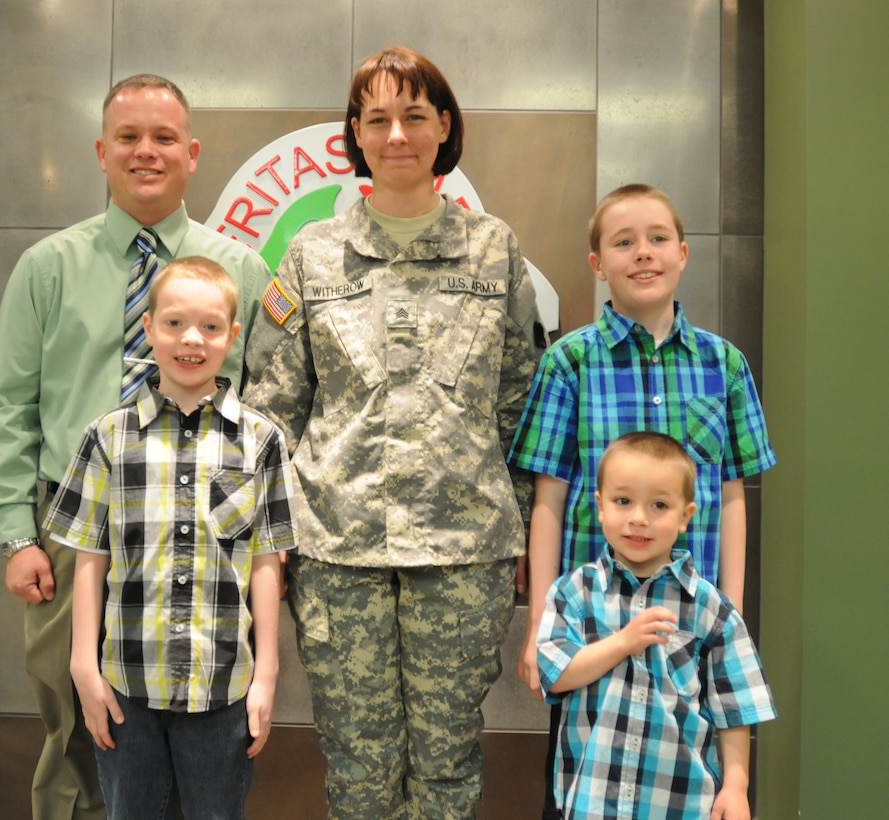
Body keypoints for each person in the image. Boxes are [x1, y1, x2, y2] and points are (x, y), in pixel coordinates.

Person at [242, 45, 540, 819]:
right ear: (356, 133)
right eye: (377, 118)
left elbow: (519, 401)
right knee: (358, 767)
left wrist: (513, 522)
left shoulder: (492, 249)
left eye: (414, 115)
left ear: (444, 126)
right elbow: (272, 411)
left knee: (446, 765)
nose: (397, 134)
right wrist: (271, 545)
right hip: (337, 553)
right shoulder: (311, 255)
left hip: (463, 552)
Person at [0, 75, 271, 819]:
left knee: (199, 728)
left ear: (193, 153)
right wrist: (18, 533)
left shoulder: (240, 271)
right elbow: (9, 407)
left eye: (164, 138)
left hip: (203, 534)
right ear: (102, 152)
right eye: (130, 138)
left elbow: (269, 403)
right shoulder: (48, 267)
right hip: (71, 530)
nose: (147, 152)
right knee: (80, 721)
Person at [507, 183, 776, 817]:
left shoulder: (725, 365)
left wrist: (729, 610)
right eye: (622, 242)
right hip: (592, 628)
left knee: (691, 782)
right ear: (597, 264)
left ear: (683, 253)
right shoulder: (570, 363)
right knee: (583, 781)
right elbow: (549, 498)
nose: (642, 253)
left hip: (691, 619)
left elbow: (732, 496)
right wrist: (539, 625)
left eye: (657, 239)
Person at [41, 257, 296, 819]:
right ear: (149, 327)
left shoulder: (261, 441)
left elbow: (265, 565)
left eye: (210, 327)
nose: (191, 340)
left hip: (223, 688)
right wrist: (85, 664)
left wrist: (267, 676)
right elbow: (89, 559)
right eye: (175, 323)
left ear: (232, 336)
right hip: (126, 685)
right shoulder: (108, 437)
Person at [537, 431, 776, 818]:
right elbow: (555, 673)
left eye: (659, 505)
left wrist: (736, 786)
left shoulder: (709, 607)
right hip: (593, 801)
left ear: (685, 516)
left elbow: (736, 705)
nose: (638, 518)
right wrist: (623, 642)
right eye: (623, 501)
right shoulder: (575, 592)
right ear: (599, 506)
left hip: (679, 800)